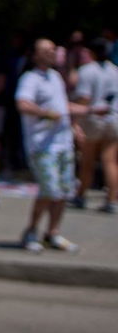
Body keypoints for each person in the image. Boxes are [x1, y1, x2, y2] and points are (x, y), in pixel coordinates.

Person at [16, 38, 85, 251]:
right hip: (43, 146)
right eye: (46, 50)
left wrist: (81, 119)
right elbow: (22, 103)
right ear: (35, 55)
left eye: (53, 49)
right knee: (49, 190)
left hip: (63, 143)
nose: (51, 53)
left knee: (64, 191)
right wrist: (45, 113)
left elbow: (63, 106)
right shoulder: (30, 78)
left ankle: (52, 233)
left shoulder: (55, 77)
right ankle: (31, 231)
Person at [71, 37, 118, 213]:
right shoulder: (115, 70)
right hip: (113, 118)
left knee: (87, 161)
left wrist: (75, 121)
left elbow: (84, 98)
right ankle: (112, 199)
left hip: (93, 119)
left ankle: (81, 195)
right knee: (110, 161)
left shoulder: (87, 71)